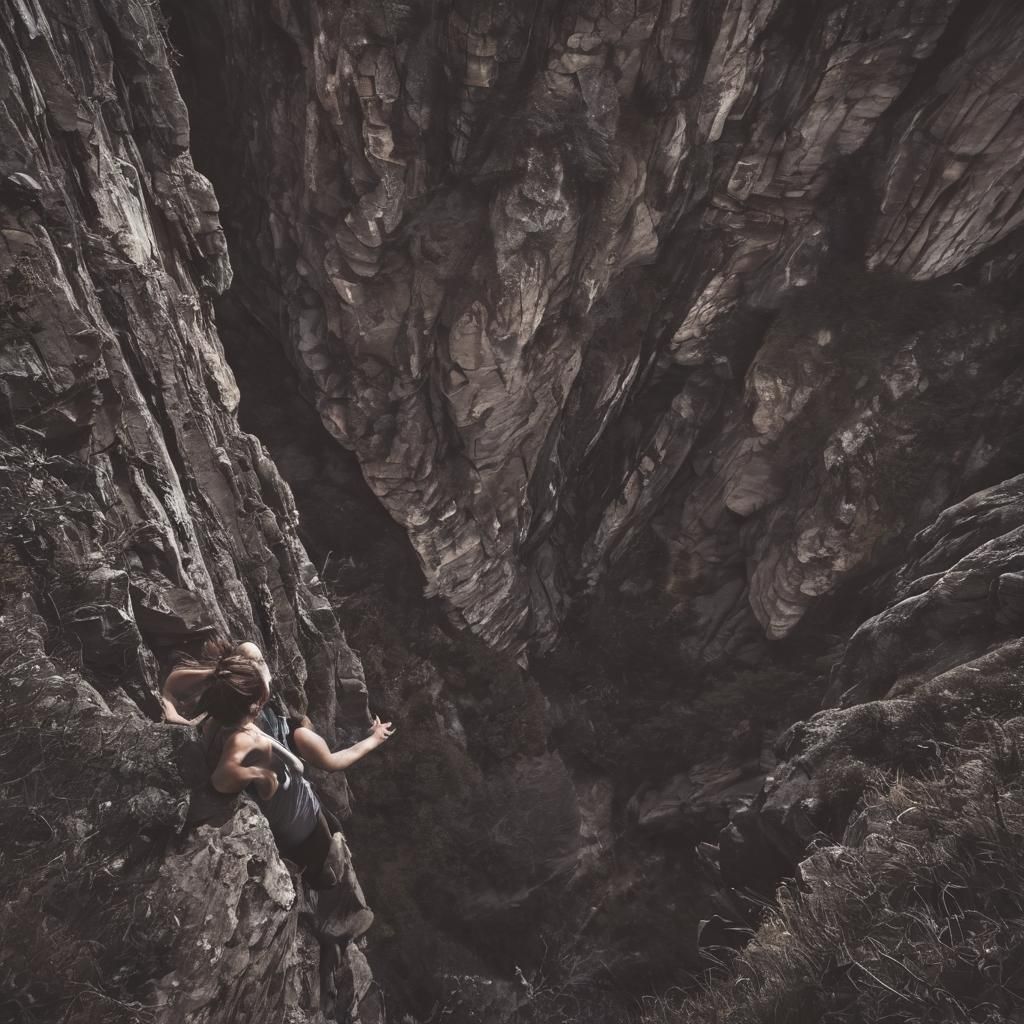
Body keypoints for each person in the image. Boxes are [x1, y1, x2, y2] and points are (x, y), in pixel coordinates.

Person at [162, 638, 394, 888]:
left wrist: (176, 709)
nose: (261, 665)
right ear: (255, 704)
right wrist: (260, 775)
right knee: (330, 870)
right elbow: (222, 779)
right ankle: (338, 896)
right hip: (300, 828)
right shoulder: (246, 739)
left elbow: (172, 687)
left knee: (333, 840)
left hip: (301, 808)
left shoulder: (220, 708)